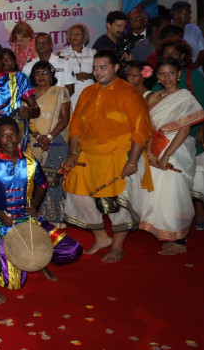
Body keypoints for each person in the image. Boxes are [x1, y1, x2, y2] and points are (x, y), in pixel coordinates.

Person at [0, 117, 83, 304]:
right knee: (14, 284)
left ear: (19, 136)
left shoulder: (30, 161)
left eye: (13, 135)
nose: (9, 140)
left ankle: (40, 260)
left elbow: (43, 184)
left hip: (31, 221)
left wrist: (35, 203)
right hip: (4, 225)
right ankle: (21, 258)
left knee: (73, 250)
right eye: (4, 136)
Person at [62, 50, 151, 263]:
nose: (98, 72)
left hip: (118, 155)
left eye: (103, 67)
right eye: (95, 68)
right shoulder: (87, 92)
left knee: (117, 203)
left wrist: (132, 162)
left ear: (116, 67)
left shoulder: (129, 93)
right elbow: (75, 126)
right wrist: (73, 153)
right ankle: (102, 237)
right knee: (76, 194)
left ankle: (118, 246)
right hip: (89, 154)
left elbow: (141, 130)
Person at [137, 57, 204, 254]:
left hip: (176, 149)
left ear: (179, 75)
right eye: (162, 74)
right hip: (153, 148)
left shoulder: (185, 97)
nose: (167, 77)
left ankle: (180, 240)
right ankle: (169, 233)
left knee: (175, 194)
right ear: (157, 76)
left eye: (171, 73)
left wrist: (166, 156)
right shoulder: (153, 97)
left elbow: (184, 131)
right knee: (159, 194)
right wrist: (149, 153)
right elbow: (148, 128)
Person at [26, 60, 71, 225]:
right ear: (33, 77)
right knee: (35, 182)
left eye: (45, 72)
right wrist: (39, 137)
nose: (42, 76)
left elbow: (65, 119)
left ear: (51, 75)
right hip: (33, 143)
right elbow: (26, 120)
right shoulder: (28, 95)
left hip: (56, 142)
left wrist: (49, 137)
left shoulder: (60, 92)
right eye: (38, 73)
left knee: (53, 182)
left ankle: (55, 221)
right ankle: (37, 218)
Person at [58, 23, 95, 109]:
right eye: (72, 34)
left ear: (84, 36)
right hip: (72, 92)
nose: (75, 36)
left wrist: (89, 75)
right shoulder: (62, 54)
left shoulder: (93, 53)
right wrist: (73, 76)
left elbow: (99, 73)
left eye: (78, 34)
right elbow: (58, 75)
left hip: (90, 91)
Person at [169, 1, 204, 69]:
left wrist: (194, 67)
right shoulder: (167, 28)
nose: (189, 17)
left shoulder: (194, 28)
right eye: (186, 14)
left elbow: (203, 50)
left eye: (189, 14)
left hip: (195, 70)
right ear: (176, 14)